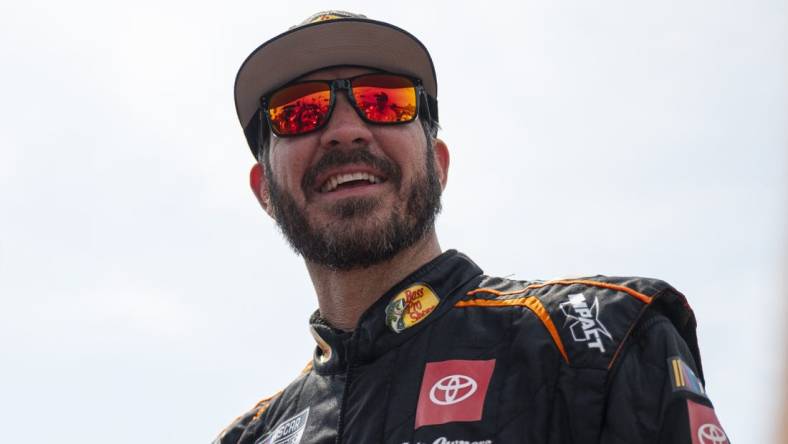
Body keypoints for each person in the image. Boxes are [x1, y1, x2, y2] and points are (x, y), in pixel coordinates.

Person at [216, 11, 729, 444]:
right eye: (300, 112)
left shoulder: (602, 336)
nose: (345, 130)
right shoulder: (252, 436)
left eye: (384, 100)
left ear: (438, 165)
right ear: (265, 190)